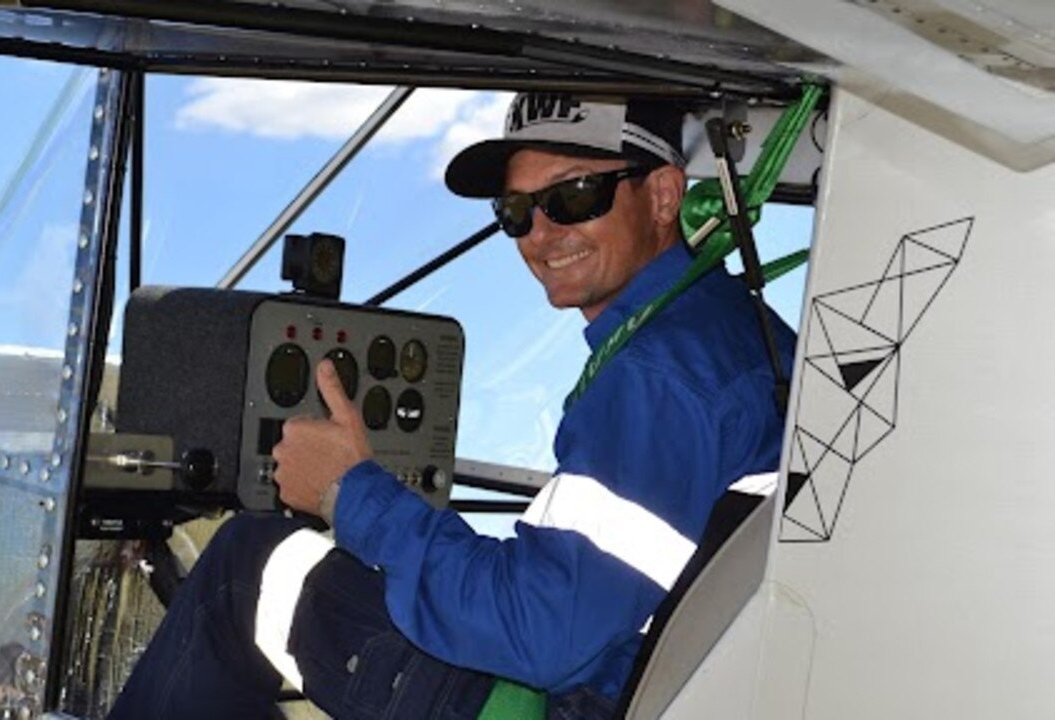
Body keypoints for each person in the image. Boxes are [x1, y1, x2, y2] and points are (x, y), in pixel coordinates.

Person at [109, 92, 796, 720]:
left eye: (575, 197)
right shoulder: (738, 335)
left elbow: (540, 633)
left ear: (665, 194)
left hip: (570, 702)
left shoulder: (661, 375)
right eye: (517, 212)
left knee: (246, 567)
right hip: (654, 680)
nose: (541, 234)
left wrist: (351, 493)